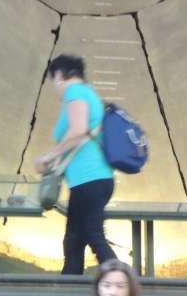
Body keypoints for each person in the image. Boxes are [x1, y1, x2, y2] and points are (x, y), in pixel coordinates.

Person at [34, 53, 116, 274]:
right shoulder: (88, 93)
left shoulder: (75, 92)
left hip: (89, 179)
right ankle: (70, 286)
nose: (55, 88)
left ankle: (123, 285)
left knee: (93, 237)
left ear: (59, 75)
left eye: (54, 81)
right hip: (92, 179)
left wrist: (48, 157)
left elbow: (77, 130)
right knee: (74, 242)